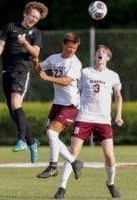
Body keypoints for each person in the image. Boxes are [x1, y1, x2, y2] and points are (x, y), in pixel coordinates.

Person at [54, 44, 124, 199]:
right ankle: (61, 187)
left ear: (107, 58)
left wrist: (118, 115)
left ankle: (111, 183)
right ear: (95, 56)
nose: (100, 53)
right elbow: (76, 93)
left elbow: (118, 96)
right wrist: (70, 114)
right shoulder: (85, 72)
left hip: (103, 120)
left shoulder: (113, 75)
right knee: (73, 152)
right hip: (84, 117)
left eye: (104, 52)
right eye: (98, 51)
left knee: (109, 155)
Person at [0, 2, 49, 163]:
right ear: (25, 14)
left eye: (37, 18)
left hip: (22, 71)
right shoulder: (10, 27)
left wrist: (25, 43)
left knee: (16, 102)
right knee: (13, 110)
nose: (34, 19)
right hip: (6, 72)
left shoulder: (36, 33)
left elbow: (36, 52)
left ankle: (21, 140)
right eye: (32, 16)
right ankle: (32, 142)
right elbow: (1, 45)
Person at [32, 32, 83, 179]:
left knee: (52, 132)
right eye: (69, 47)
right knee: (51, 137)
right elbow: (39, 70)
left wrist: (48, 78)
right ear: (63, 44)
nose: (72, 50)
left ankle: (52, 167)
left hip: (71, 104)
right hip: (57, 103)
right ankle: (74, 162)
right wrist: (35, 61)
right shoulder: (54, 58)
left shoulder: (75, 63)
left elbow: (67, 81)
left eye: (74, 48)